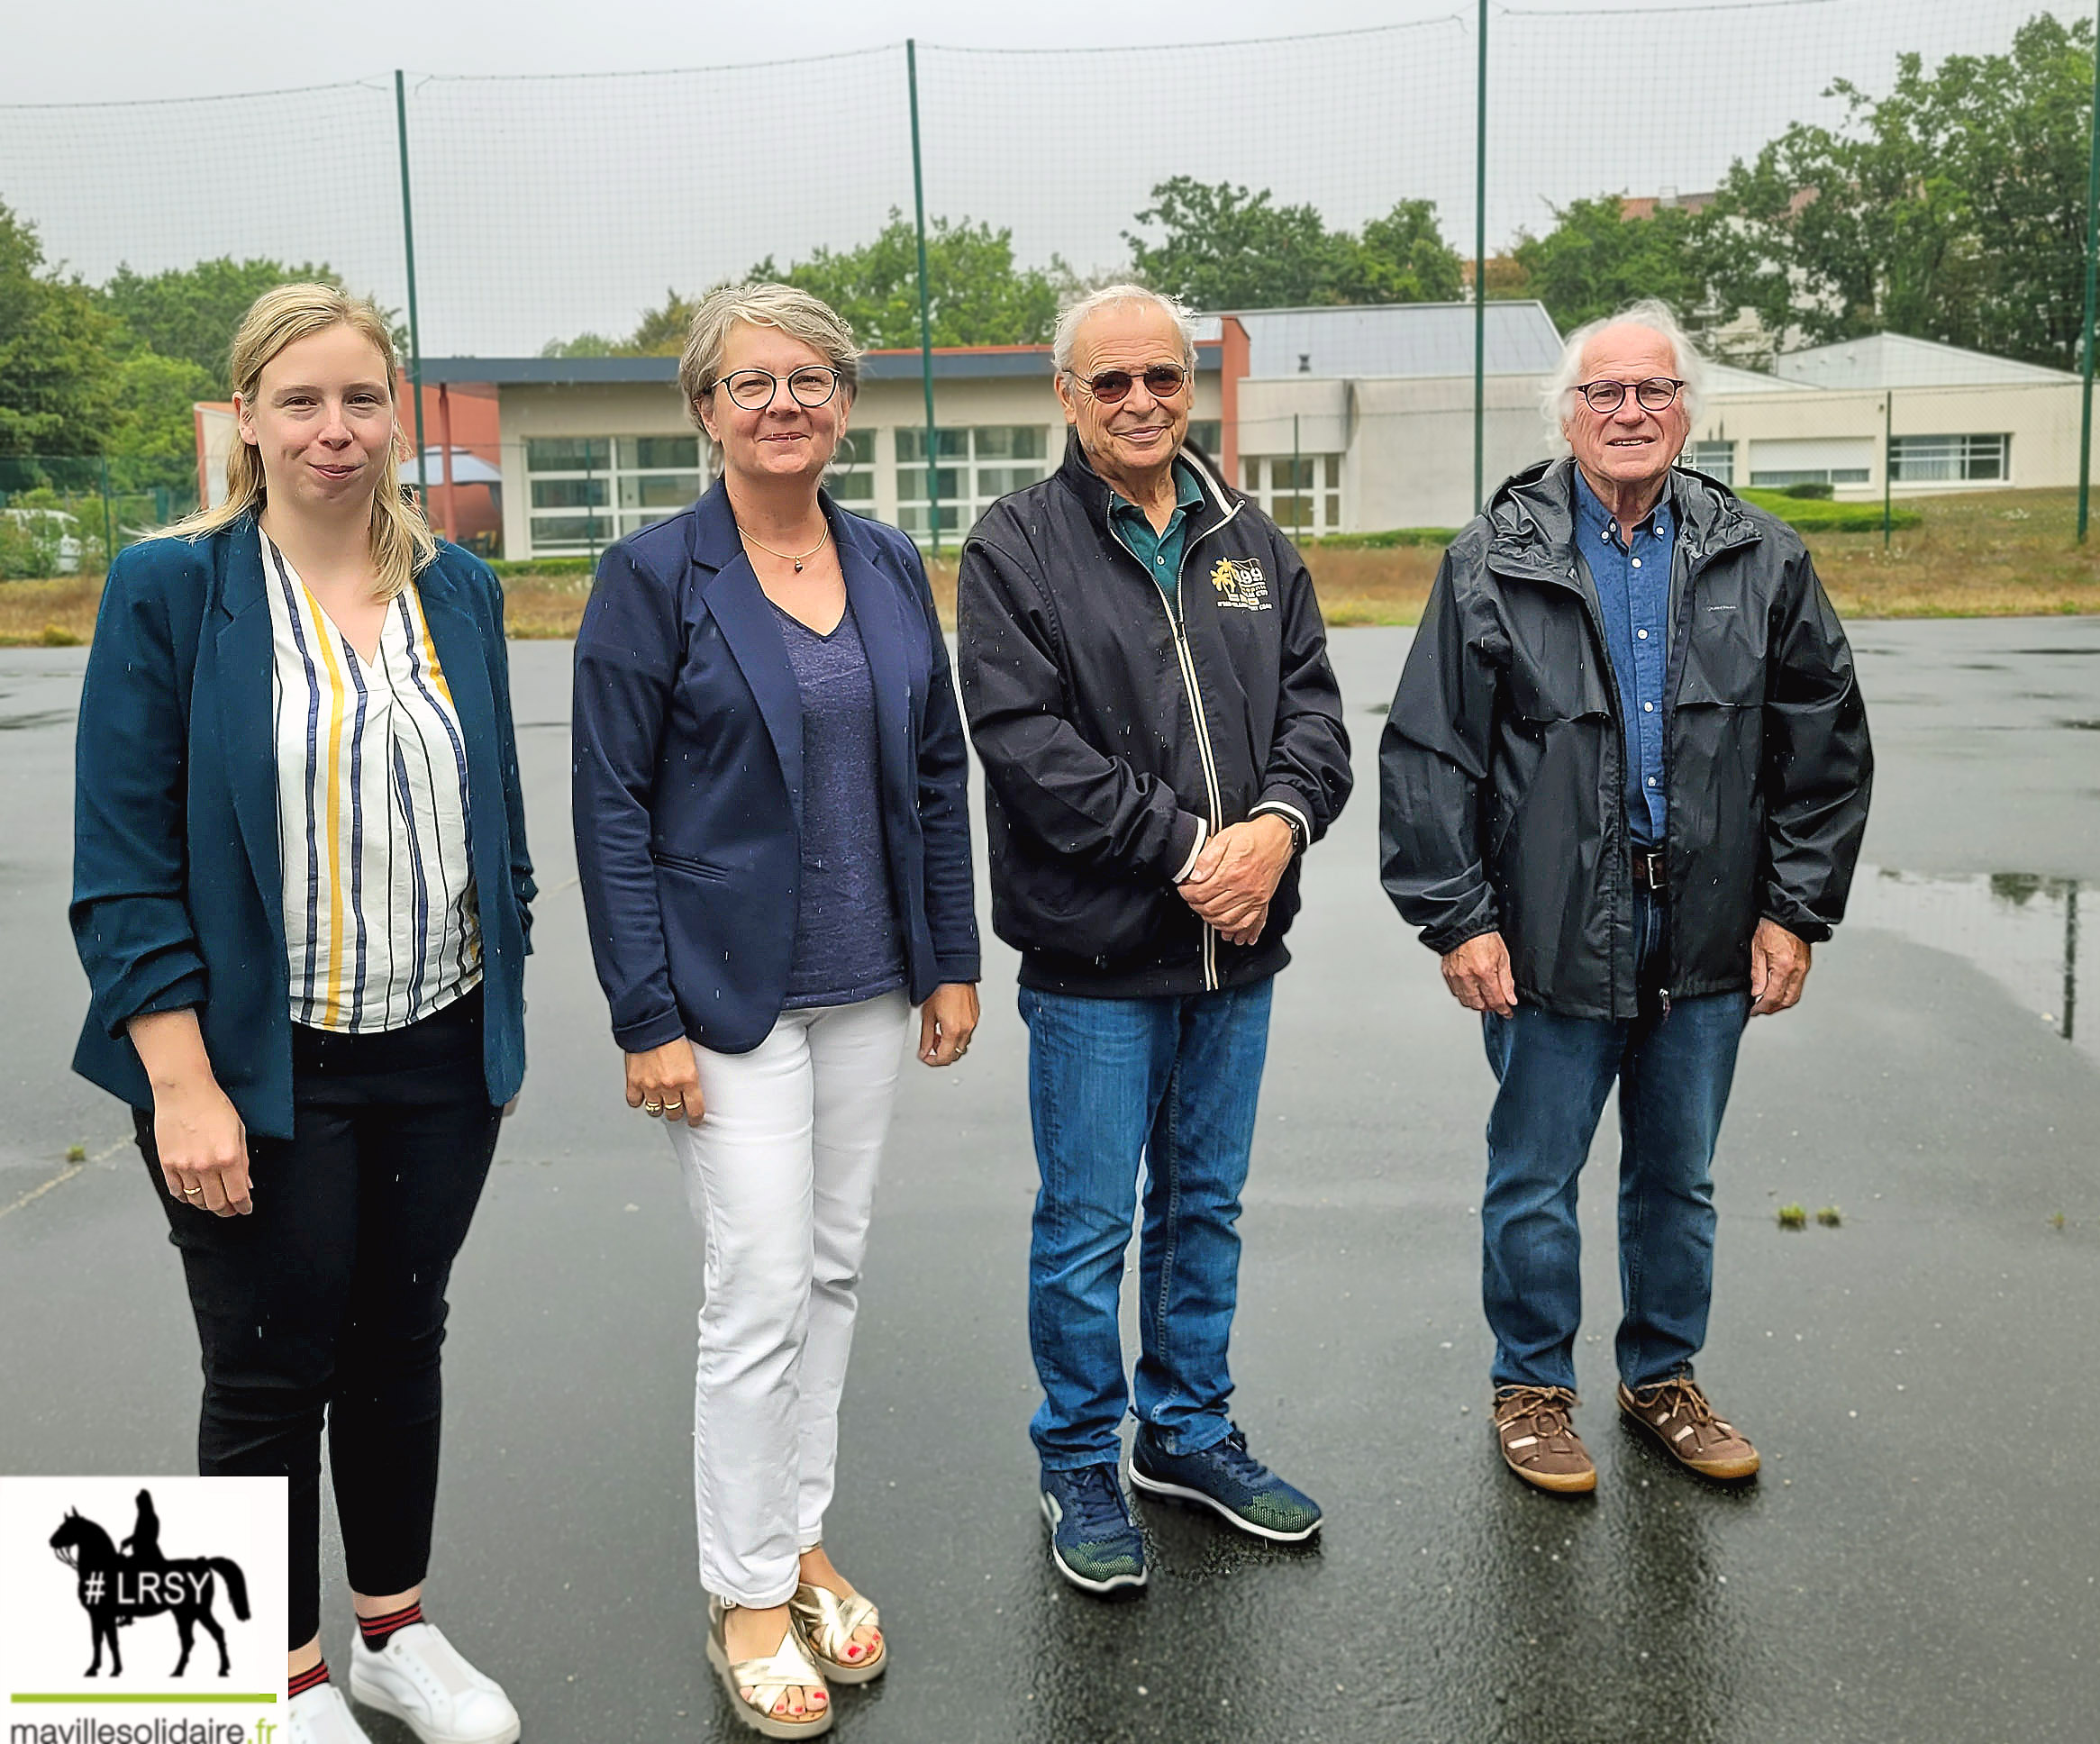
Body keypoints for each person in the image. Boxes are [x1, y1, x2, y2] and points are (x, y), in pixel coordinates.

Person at [70, 283, 532, 1744]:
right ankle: (266, 1678)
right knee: (271, 1367)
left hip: (439, 1045)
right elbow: (123, 858)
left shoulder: (456, 587)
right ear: (247, 419)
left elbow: (496, 820)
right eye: (300, 402)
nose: (334, 431)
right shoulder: (172, 587)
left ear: (396, 413)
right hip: (256, 1064)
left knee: (401, 1340)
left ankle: (391, 1632)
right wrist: (181, 1079)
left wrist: (497, 995)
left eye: (359, 400)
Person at [571, 284, 978, 1737]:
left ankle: (800, 1541)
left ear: (843, 402)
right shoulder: (650, 575)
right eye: (750, 382)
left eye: (808, 379)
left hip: (869, 984)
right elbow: (610, 806)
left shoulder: (881, 559)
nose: (782, 404)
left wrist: (950, 956)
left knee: (832, 1273)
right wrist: (644, 1015)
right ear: (704, 408)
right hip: (723, 999)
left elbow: (935, 770)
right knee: (753, 1296)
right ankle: (744, 1590)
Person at [1379, 298, 1874, 1494]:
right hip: (1548, 932)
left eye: (1653, 391)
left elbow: (1824, 747)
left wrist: (1792, 910)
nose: (1630, 412)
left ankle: (1662, 1379)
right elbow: (1429, 754)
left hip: (1705, 928)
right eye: (1605, 393)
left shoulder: (1761, 556)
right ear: (1566, 413)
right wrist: (1460, 919)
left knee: (1677, 1179)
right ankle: (1532, 1390)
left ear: (1686, 412)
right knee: (1533, 1177)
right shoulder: (1489, 559)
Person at [955, 284, 1352, 1594]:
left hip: (1238, 953)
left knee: (1205, 1210)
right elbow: (1025, 748)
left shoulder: (1251, 537)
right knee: (1085, 1225)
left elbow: (1315, 717)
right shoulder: (1014, 546)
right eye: (1110, 382)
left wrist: (1279, 829)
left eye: (1162, 379)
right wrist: (1193, 849)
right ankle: (1078, 1457)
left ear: (1194, 387)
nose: (1139, 402)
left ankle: (1184, 1433)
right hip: (1096, 963)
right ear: (1064, 395)